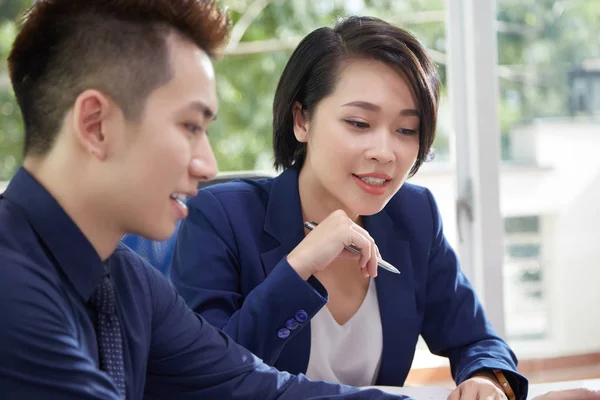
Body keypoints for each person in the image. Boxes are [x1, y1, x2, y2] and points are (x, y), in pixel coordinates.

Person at [0, 1, 410, 399]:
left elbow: (258, 385)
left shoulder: (128, 281)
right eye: (190, 126)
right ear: (96, 125)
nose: (207, 165)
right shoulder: (13, 292)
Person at [170, 16, 529, 400]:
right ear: (301, 119)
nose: (385, 152)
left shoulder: (414, 215)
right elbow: (207, 379)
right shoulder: (221, 218)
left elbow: (477, 339)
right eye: (359, 123)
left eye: (406, 130)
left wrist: (488, 381)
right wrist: (298, 267)